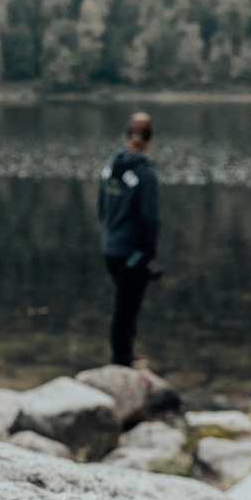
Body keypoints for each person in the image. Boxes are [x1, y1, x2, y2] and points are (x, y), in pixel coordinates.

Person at [98, 111, 160, 367]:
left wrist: (110, 232)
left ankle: (123, 355)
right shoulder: (145, 175)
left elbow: (101, 207)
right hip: (131, 252)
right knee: (127, 309)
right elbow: (150, 219)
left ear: (126, 137)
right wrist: (147, 252)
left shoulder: (109, 168)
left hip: (110, 247)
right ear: (149, 140)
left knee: (123, 305)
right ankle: (122, 361)